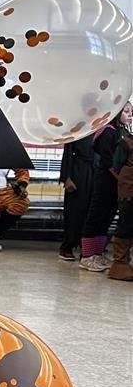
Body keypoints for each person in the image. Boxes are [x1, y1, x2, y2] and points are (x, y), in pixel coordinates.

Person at [80, 100, 133, 272]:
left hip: (117, 184)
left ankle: (98, 253)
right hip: (105, 180)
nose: (130, 115)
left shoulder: (123, 132)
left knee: (107, 218)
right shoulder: (107, 132)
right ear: (116, 112)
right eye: (126, 111)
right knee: (96, 215)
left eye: (131, 112)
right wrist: (120, 176)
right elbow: (109, 160)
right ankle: (87, 256)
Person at [58, 135, 95, 261]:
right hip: (78, 172)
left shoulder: (103, 126)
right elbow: (67, 154)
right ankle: (67, 246)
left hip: (96, 170)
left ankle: (87, 248)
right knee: (75, 210)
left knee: (92, 211)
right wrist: (67, 178)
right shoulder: (78, 128)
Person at [108, 131, 133, 280]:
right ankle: (120, 263)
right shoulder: (126, 142)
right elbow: (116, 164)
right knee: (127, 223)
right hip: (129, 189)